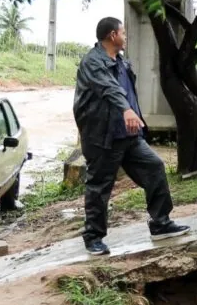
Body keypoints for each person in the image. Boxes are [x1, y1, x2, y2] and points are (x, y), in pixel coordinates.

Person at [73, 17, 190, 255]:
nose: (126, 37)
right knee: (99, 186)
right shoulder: (92, 63)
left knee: (155, 167)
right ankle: (93, 237)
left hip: (128, 135)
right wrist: (125, 109)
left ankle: (161, 223)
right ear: (112, 36)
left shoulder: (121, 62)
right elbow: (109, 89)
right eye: (123, 33)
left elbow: (128, 92)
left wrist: (136, 117)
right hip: (102, 136)